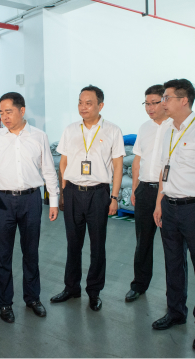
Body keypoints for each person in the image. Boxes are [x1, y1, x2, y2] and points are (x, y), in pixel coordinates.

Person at [0, 92, 59, 323]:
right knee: (1, 254)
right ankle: (5, 303)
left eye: (9, 111)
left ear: (22, 110)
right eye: (1, 112)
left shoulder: (39, 136)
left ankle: (33, 298)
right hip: (2, 202)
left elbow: (49, 170)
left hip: (31, 200)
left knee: (31, 252)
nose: (4, 117)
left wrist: (54, 201)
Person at [152, 79, 195, 351]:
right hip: (169, 206)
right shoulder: (169, 130)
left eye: (166, 98)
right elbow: (164, 170)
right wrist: (159, 202)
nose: (162, 102)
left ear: (184, 100)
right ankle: (175, 311)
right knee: (173, 262)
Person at [50, 85, 124, 311]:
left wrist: (114, 197)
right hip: (73, 191)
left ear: (100, 105)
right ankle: (71, 287)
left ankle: (94, 291)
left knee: (97, 245)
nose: (83, 107)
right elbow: (63, 163)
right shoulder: (71, 129)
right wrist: (63, 191)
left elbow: (118, 166)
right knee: (73, 243)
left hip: (98, 194)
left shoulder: (113, 131)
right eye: (80, 102)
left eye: (88, 103)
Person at [125, 84, 172, 303]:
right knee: (142, 241)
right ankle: (139, 284)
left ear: (165, 101)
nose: (150, 108)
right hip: (145, 190)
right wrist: (135, 188)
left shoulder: (175, 126)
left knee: (171, 245)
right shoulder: (144, 128)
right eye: (147, 103)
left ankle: (173, 293)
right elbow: (137, 160)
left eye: (155, 103)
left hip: (169, 193)